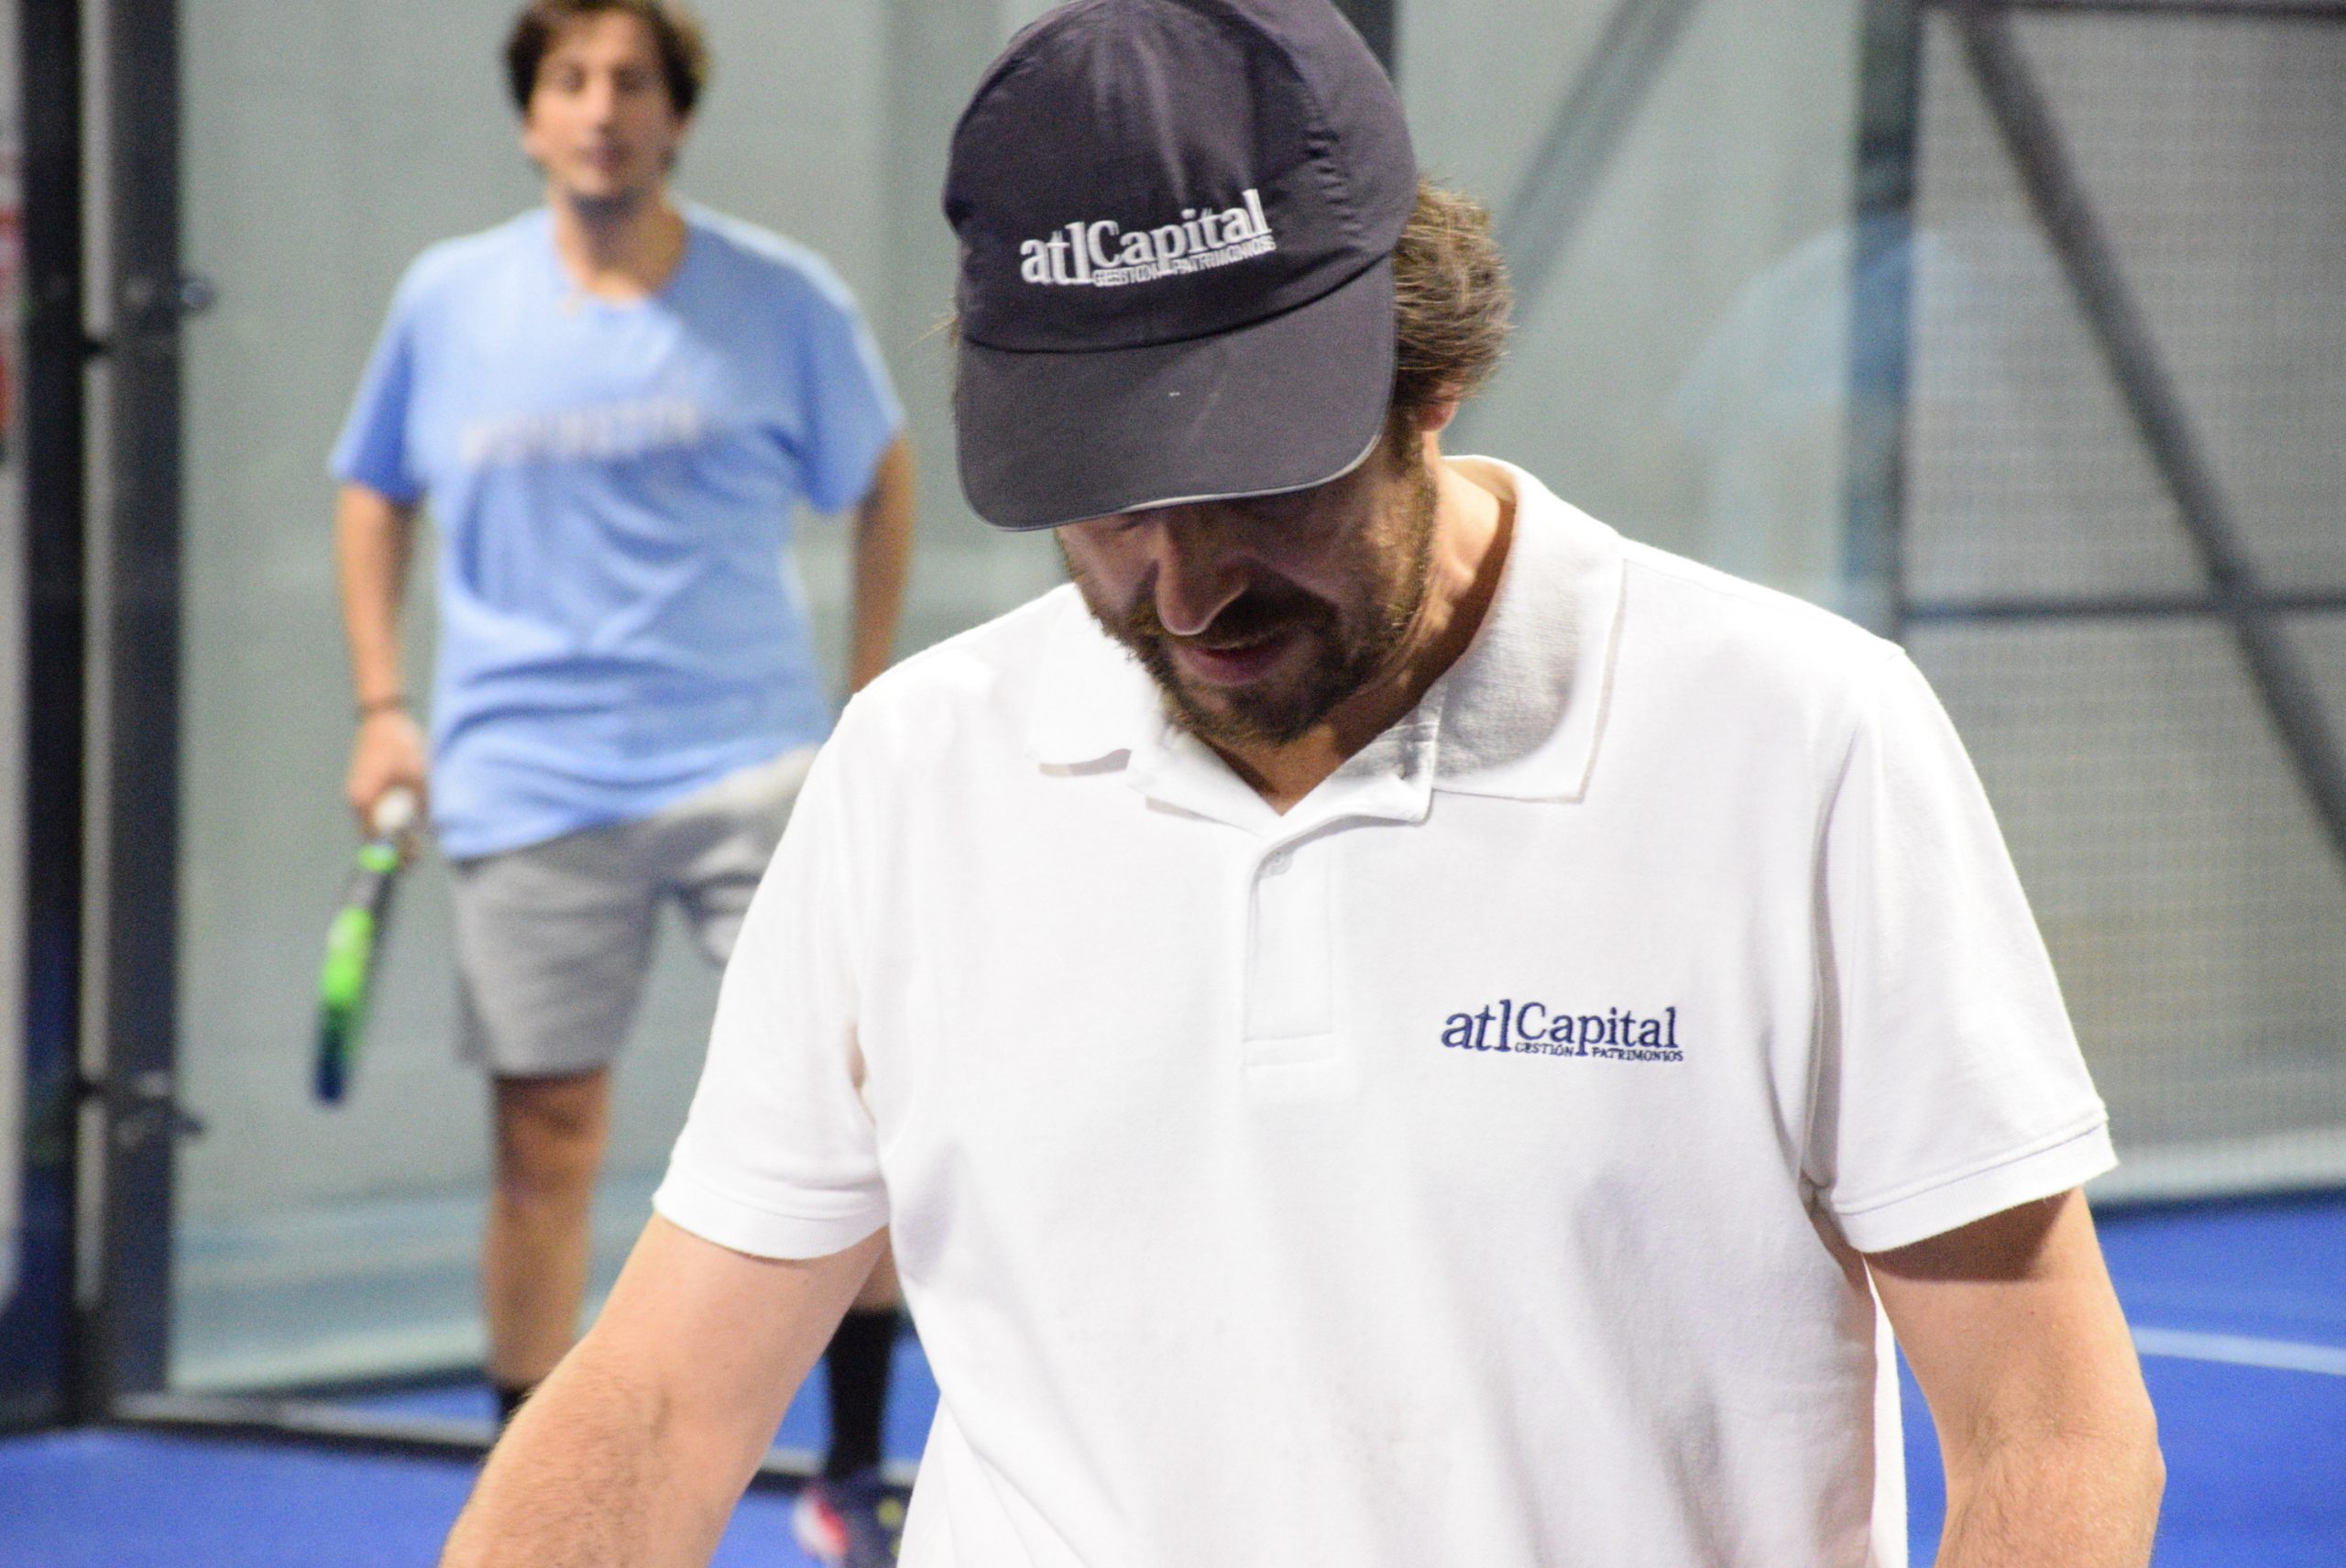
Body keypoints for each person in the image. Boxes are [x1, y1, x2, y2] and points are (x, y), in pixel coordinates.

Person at [439, 2, 2164, 1564]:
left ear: (1433, 375)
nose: (1188, 592)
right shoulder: (910, 772)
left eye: (1260, 480)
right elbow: (657, 1410)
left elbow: (2051, 1437)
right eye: (1109, 503)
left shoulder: (1798, 743)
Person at [331, 1, 913, 1556]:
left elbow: (880, 472)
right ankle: (526, 1498)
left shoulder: (781, 298)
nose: (601, 108)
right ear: (533, 116)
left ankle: (854, 1473)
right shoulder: (446, 301)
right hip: (524, 778)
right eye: (571, 80)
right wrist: (385, 708)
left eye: (633, 82)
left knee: (861, 1122)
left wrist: (864, 695)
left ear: (676, 115)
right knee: (546, 1147)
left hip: (751, 771)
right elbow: (372, 491)